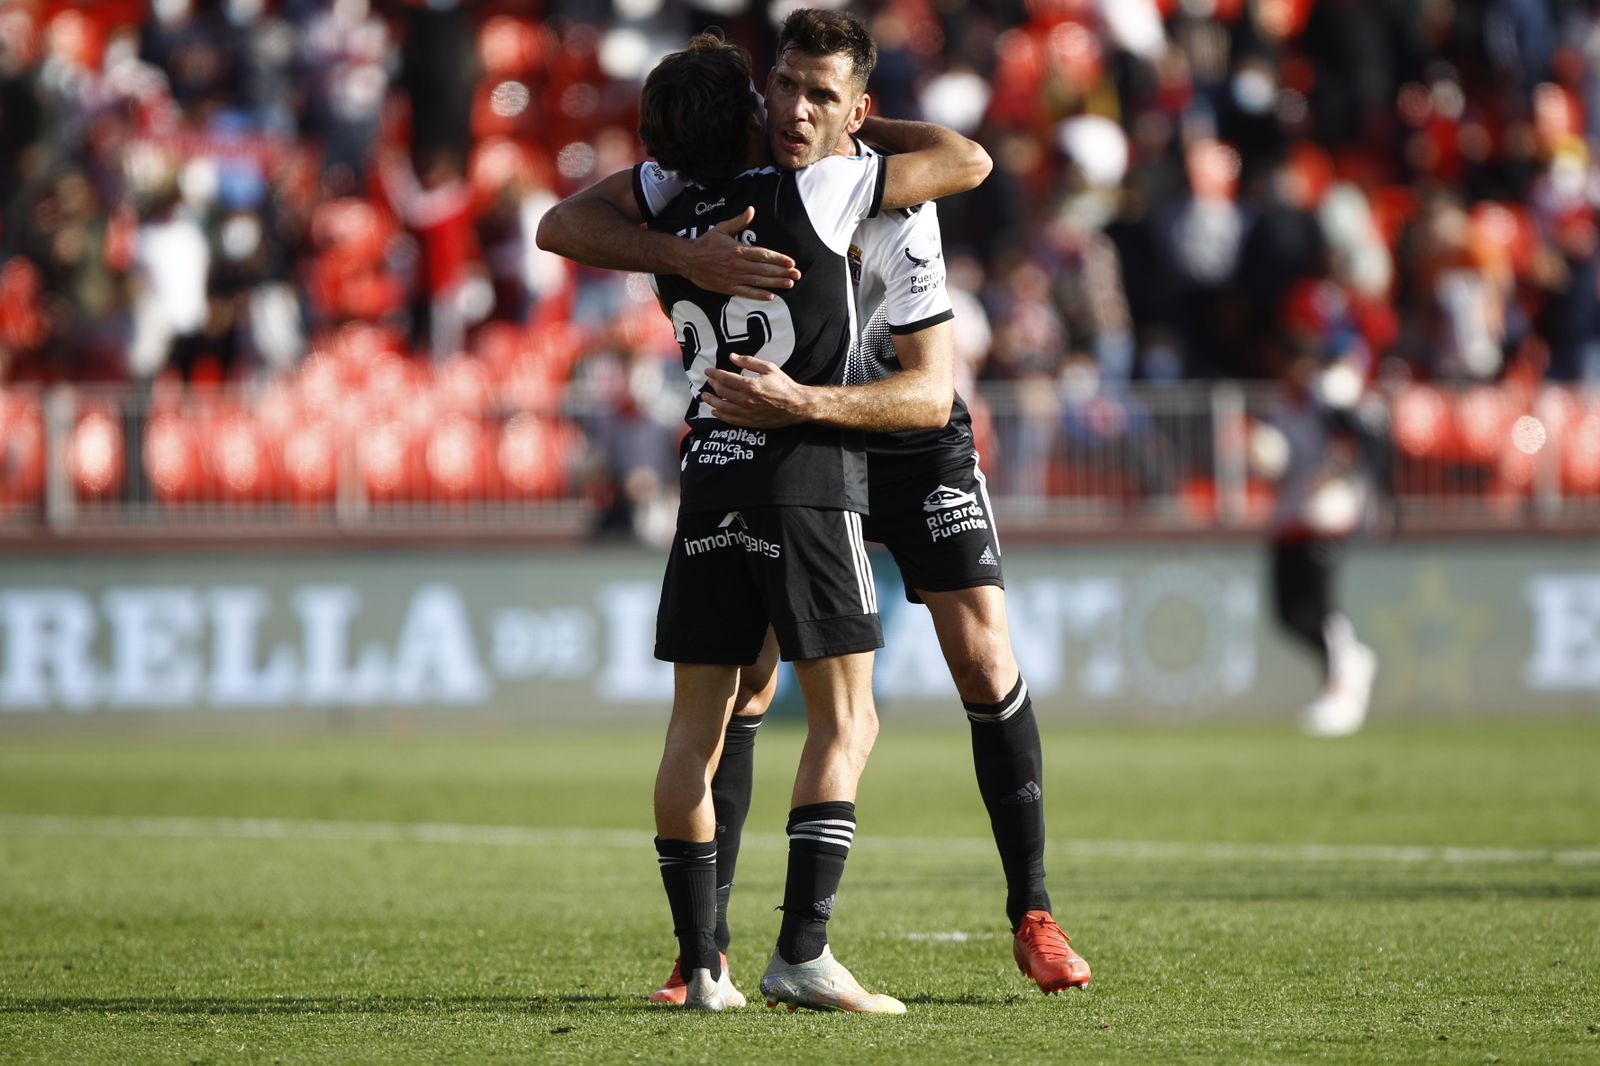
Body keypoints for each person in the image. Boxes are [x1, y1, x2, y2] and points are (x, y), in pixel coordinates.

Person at [538, 10, 1089, 1004]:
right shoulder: (722, 172)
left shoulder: (891, 198)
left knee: (984, 656)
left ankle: (1034, 912)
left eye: (818, 95)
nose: (793, 108)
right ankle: (702, 949)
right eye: (783, 86)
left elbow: (927, 390)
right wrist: (691, 259)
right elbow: (565, 223)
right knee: (746, 687)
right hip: (796, 445)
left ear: (858, 112)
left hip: (894, 432)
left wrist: (811, 400)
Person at [1252, 340, 1383, 736]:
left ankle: (1340, 690)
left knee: (1321, 608)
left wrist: (1339, 472)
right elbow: (1274, 460)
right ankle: (1351, 659)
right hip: (1290, 516)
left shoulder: (1326, 400)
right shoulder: (1279, 410)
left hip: (1326, 515)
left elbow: (1366, 441)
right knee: (1288, 614)